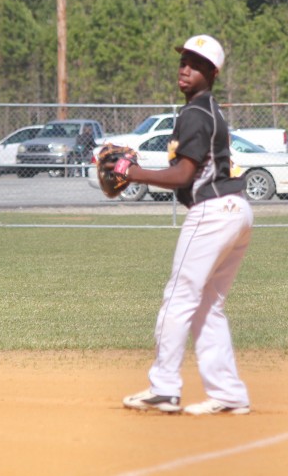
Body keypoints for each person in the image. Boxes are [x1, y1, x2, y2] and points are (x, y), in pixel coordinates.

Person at [112, 34, 254, 416]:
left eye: (195, 63)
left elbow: (183, 175)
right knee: (208, 306)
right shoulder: (208, 110)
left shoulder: (194, 113)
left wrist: (132, 172)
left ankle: (164, 388)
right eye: (183, 61)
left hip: (212, 212)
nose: (185, 68)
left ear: (211, 73)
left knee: (179, 299)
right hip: (235, 210)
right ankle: (228, 394)